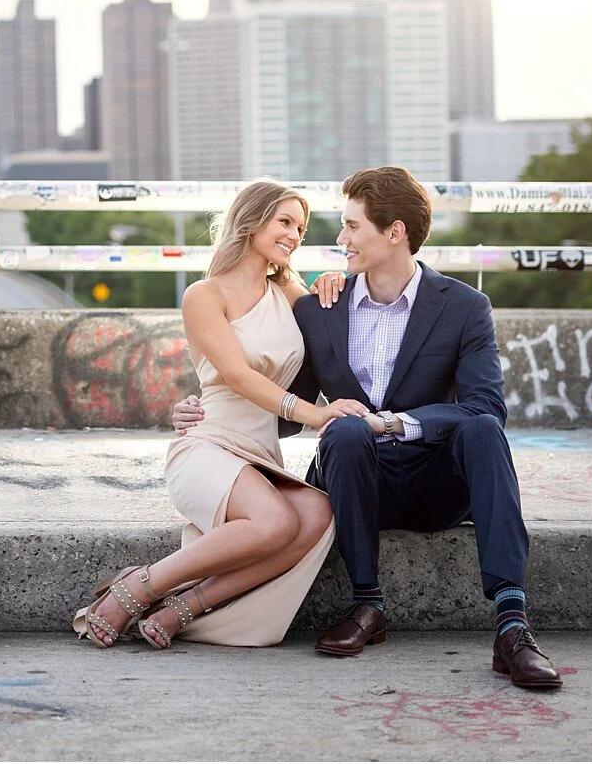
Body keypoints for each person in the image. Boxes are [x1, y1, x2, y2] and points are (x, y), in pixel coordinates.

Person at [172, 166, 562, 689]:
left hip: (434, 483)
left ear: (394, 232)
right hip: (354, 482)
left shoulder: (466, 308)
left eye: (352, 227)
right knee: (348, 431)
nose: (340, 239)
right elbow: (289, 406)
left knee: (483, 432)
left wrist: (396, 424)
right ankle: (366, 606)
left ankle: (512, 626)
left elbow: (485, 405)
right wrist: (201, 406)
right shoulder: (320, 309)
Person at [74, 179, 364, 650]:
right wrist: (318, 416)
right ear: (251, 221)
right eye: (284, 222)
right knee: (276, 523)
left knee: (317, 514)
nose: (295, 234)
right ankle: (138, 587)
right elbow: (234, 375)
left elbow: (335, 324)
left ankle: (183, 608)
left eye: (302, 228)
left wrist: (336, 284)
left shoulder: (290, 297)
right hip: (208, 444)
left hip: (259, 451)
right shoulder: (203, 295)